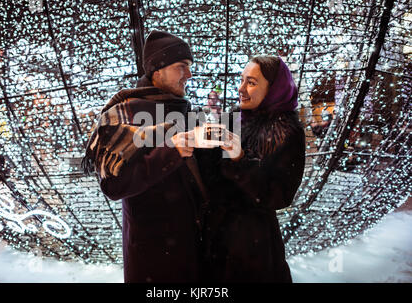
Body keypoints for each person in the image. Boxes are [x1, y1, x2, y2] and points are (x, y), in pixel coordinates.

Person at [82, 30, 208, 283]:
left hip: (192, 244)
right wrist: (171, 151)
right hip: (154, 252)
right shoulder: (124, 114)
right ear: (157, 71)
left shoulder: (186, 112)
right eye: (182, 66)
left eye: (190, 67)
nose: (190, 75)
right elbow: (114, 185)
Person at [196, 55, 305, 282]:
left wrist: (240, 161)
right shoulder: (233, 118)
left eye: (252, 82)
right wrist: (202, 145)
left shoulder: (288, 131)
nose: (241, 88)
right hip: (214, 239)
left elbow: (279, 195)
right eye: (242, 79)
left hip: (252, 247)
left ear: (274, 89)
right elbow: (212, 179)